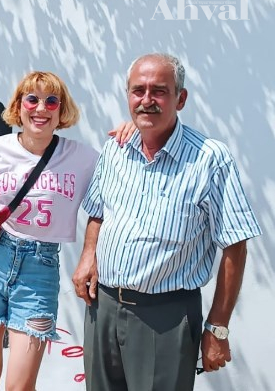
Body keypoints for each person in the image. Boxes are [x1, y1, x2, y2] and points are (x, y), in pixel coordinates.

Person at [72, 53, 262, 391]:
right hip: (103, 310)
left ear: (181, 98)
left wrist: (217, 328)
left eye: (159, 91)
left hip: (166, 317)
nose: (147, 100)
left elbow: (235, 243)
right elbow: (98, 210)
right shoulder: (115, 149)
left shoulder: (209, 159)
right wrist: (89, 252)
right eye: (138, 91)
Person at [0, 71, 100, 391]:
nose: (41, 108)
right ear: (19, 106)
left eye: (51, 101)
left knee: (20, 385)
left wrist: (129, 130)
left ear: (61, 110)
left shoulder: (83, 158)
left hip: (38, 272)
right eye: (32, 99)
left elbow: (116, 179)